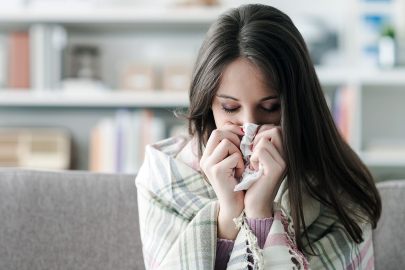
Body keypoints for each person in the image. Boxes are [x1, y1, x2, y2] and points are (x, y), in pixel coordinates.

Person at [135, 3, 381, 270]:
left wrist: (260, 212)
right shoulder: (165, 176)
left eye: (269, 108)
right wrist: (228, 215)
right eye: (230, 108)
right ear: (207, 103)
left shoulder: (338, 189)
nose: (249, 126)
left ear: (298, 105)